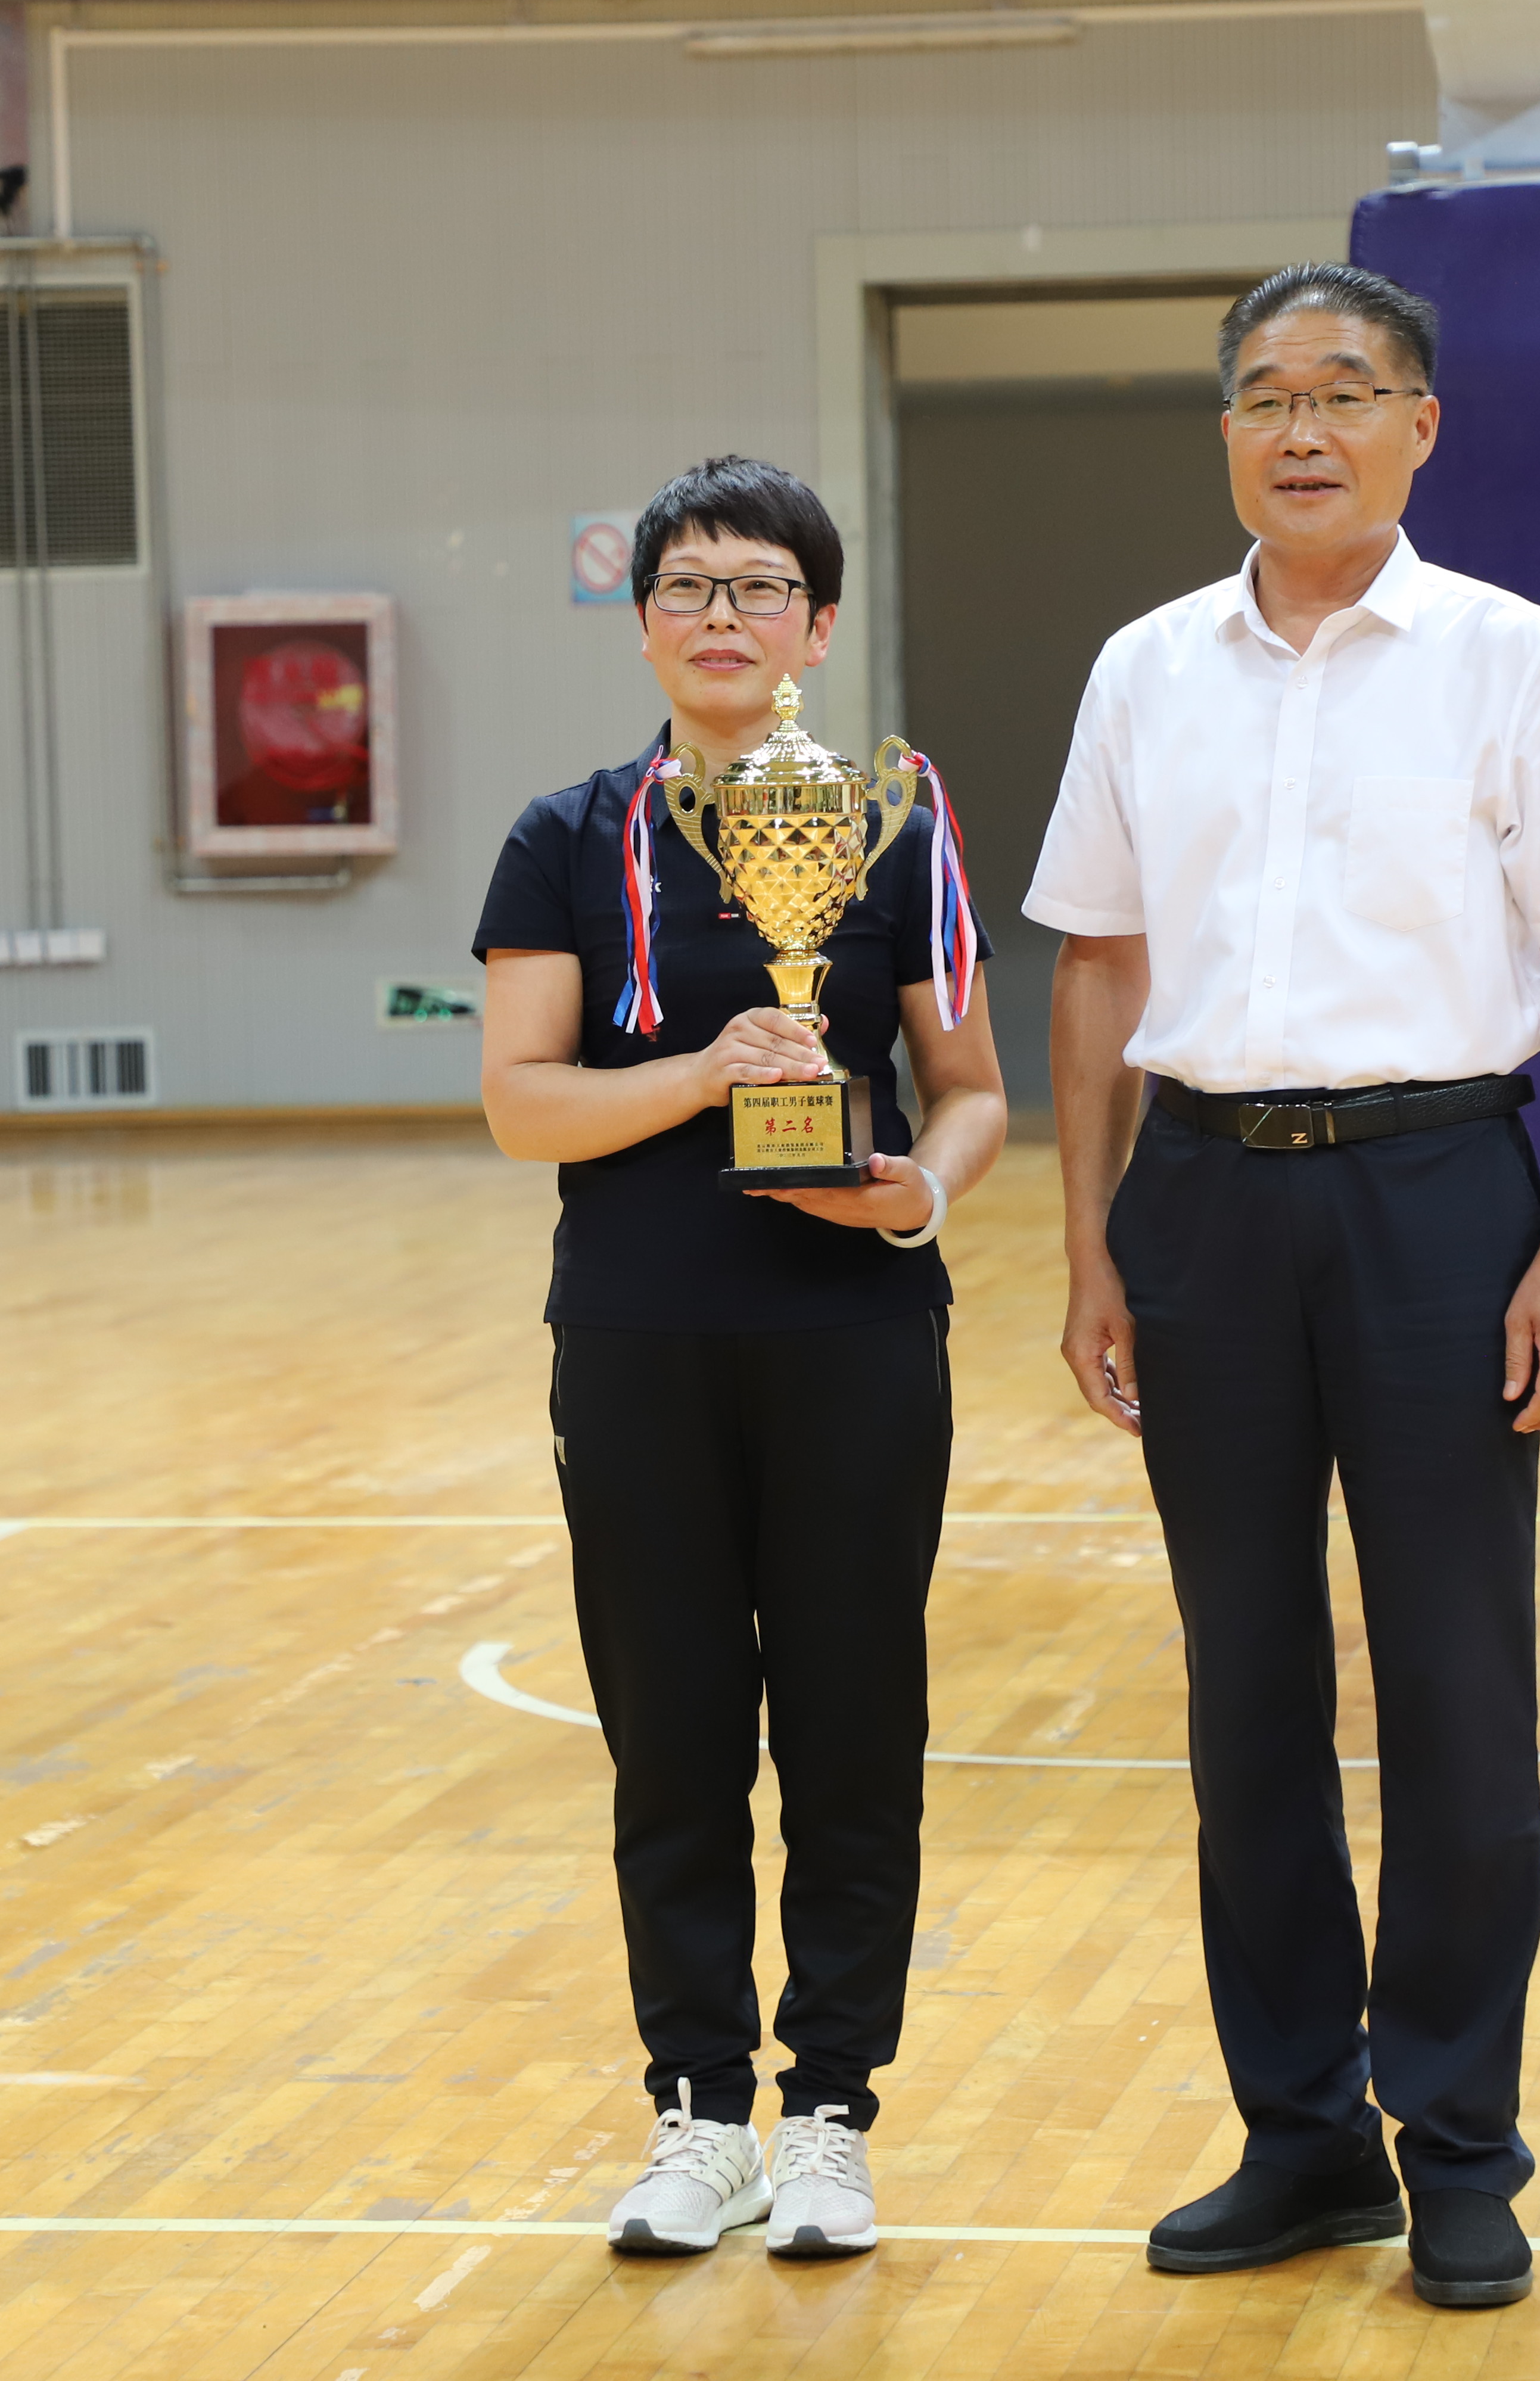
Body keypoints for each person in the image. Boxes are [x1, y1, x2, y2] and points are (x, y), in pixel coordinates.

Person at [1022, 265, 1540, 2311]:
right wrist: (1091, 1239)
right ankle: (1303, 2140)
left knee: (1458, 1680)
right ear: (1225, 433)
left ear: (1420, 427)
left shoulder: (1511, 658)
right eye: (1269, 395)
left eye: (1347, 392)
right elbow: (1097, 965)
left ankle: (1459, 2145)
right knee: (1244, 1688)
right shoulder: (1145, 670)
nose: (1305, 428)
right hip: (1202, 1197)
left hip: (1440, 1190)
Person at [473, 454, 1006, 2261]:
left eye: (762, 587)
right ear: (643, 623)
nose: (725, 616)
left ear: (819, 626)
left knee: (857, 1731)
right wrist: (707, 1076)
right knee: (673, 1739)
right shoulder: (564, 837)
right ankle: (702, 2113)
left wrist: (920, 1199)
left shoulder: (890, 823)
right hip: (641, 1345)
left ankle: (833, 2115)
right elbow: (522, 1104)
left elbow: (974, 1091)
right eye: (691, 587)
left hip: (854, 1338)